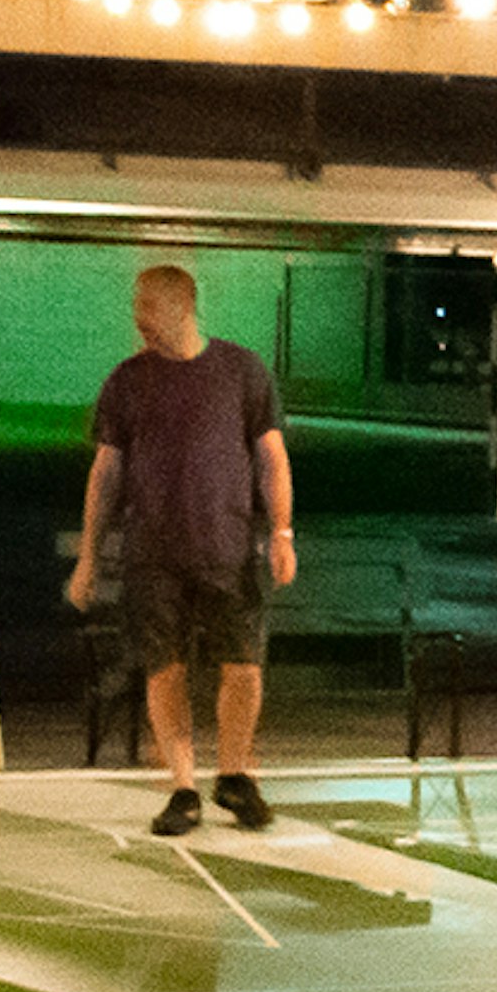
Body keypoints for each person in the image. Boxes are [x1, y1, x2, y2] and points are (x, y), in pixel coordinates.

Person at [71, 263, 296, 837]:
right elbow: (107, 473)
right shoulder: (127, 381)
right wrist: (90, 556)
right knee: (163, 666)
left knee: (242, 663)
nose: (139, 319)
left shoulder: (241, 372)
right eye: (136, 306)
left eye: (147, 306)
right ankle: (183, 786)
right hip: (153, 554)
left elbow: (271, 457)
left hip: (227, 547)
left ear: (181, 306)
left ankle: (236, 775)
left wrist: (282, 531)